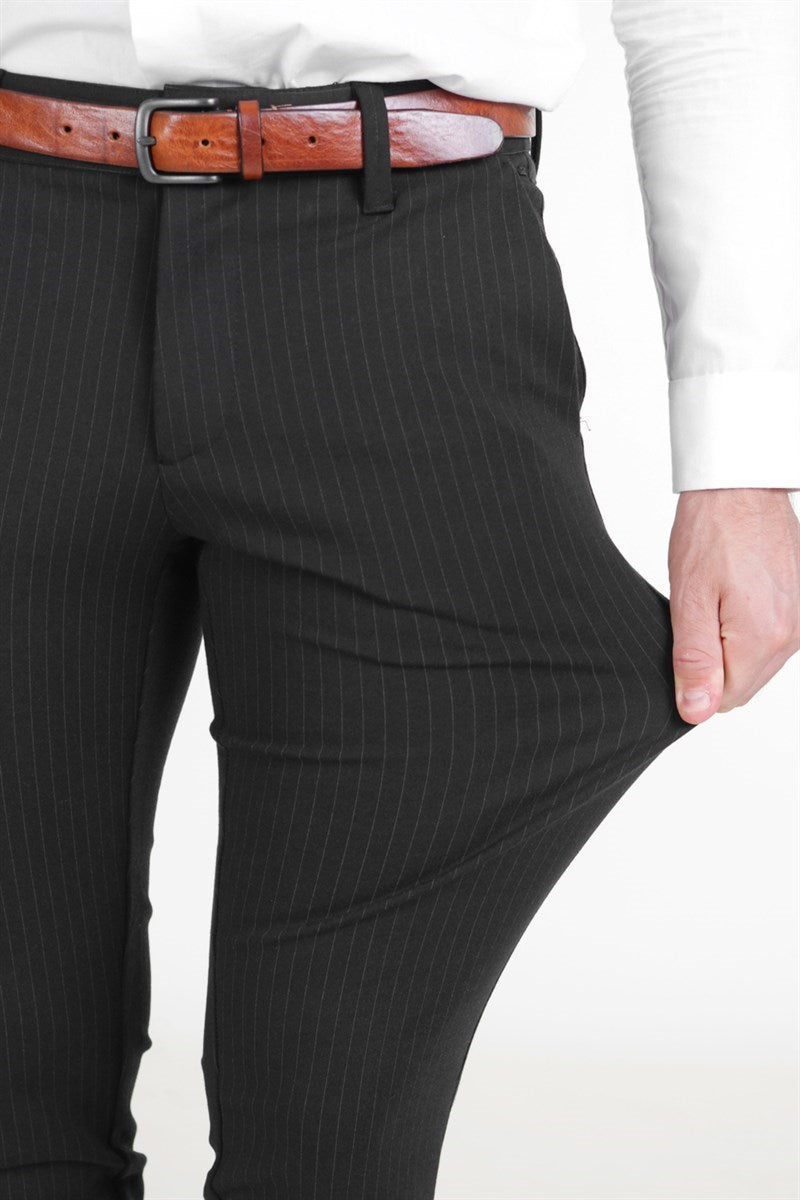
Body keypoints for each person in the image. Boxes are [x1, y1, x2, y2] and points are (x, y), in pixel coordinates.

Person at [0, 2, 797, 1198]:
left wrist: (736, 463)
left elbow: (703, 20)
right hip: (23, 240)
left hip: (400, 281)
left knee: (327, 1150)